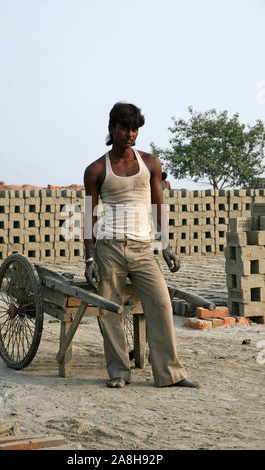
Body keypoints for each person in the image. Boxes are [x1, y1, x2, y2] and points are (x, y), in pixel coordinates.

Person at [83, 102, 199, 389]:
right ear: (112, 129)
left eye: (135, 129)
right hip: (108, 249)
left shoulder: (150, 163)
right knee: (110, 310)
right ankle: (119, 372)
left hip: (142, 248)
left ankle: (169, 373)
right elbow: (89, 215)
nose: (130, 134)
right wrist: (88, 259)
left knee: (160, 303)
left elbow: (159, 207)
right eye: (125, 128)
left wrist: (167, 245)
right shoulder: (96, 169)